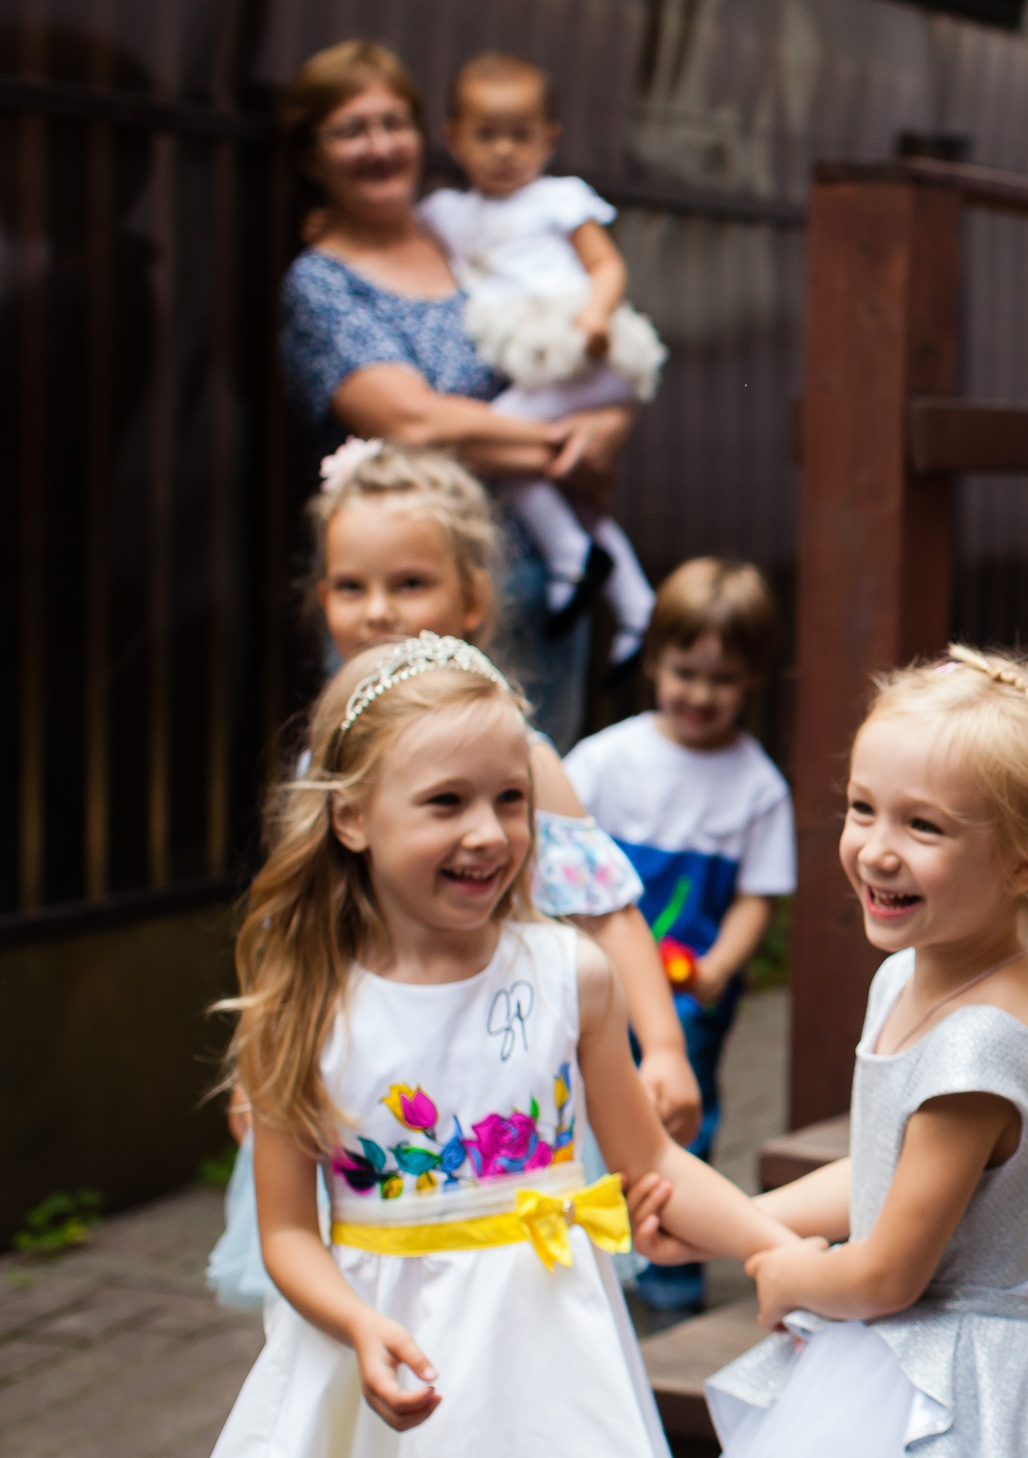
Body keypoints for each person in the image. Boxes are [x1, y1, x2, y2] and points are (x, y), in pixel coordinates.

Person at [143, 636, 797, 1458]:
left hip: (547, 1355)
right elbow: (286, 1233)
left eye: (510, 799)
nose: (488, 834)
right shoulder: (303, 1009)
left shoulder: (570, 974)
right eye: (446, 802)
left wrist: (775, 1247)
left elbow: (653, 1162)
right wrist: (357, 1325)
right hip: (377, 1356)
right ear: (352, 817)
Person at [627, 647, 1028, 1458]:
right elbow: (880, 1171)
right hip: (896, 1368)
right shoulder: (907, 976)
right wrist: (729, 1220)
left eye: (924, 826)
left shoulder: (979, 1047)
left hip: (957, 1407)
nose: (876, 849)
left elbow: (884, 1275)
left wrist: (782, 1270)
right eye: (862, 808)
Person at [203, 442, 698, 1313]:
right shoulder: (330, 761)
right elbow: (294, 917)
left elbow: (606, 910)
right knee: (350, 1273)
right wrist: (259, 1065)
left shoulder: (518, 759)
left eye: (409, 583)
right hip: (366, 1092)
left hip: (489, 1081)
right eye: (350, 586)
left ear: (473, 599)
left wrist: (659, 1044)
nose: (377, 610)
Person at [276, 38, 635, 741]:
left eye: (393, 123)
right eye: (352, 130)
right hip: (400, 597)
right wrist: (565, 445)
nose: (379, 146)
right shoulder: (321, 283)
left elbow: (566, 352)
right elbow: (415, 423)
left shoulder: (460, 239)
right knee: (404, 777)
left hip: (536, 576)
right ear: (312, 157)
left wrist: (610, 422)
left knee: (533, 775)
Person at [565, 558, 793, 1314]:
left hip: (691, 998)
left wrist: (720, 965)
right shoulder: (604, 761)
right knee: (585, 1106)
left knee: (678, 1116)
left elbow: (757, 897)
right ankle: (588, 1244)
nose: (699, 694)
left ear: (752, 678)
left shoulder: (757, 786)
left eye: (721, 679)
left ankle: (672, 1262)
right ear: (653, 660)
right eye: (685, 672)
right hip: (597, 986)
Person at [420, 50, 666, 666]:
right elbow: (394, 235)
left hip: (579, 349)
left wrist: (596, 316)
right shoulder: (446, 213)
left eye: (520, 136)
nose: (504, 151)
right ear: (453, 138)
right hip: (528, 353)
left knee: (501, 437)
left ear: (549, 138)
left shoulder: (559, 198)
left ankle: (569, 558)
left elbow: (606, 264)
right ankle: (636, 605)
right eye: (487, 135)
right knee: (559, 474)